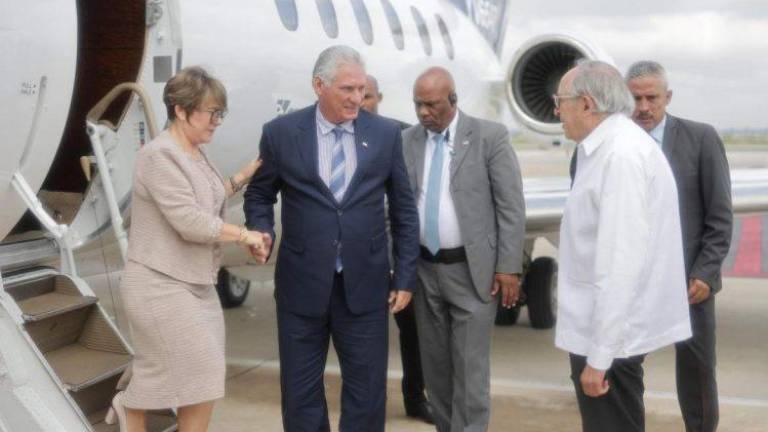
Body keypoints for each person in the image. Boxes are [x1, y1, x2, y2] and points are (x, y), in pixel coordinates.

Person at [243, 45, 419, 432]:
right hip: (301, 286)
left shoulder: (387, 134)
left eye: (361, 89)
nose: (358, 98)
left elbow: (405, 210)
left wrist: (405, 276)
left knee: (367, 393)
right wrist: (262, 229)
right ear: (318, 85)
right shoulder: (281, 133)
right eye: (347, 89)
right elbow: (259, 194)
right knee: (300, 394)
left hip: (366, 286)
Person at [108, 66, 267, 432]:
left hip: (194, 283)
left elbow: (205, 196)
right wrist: (245, 235)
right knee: (189, 366)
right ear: (181, 110)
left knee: (206, 374)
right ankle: (130, 405)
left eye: (220, 113)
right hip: (158, 283)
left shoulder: (194, 152)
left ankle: (134, 404)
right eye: (212, 113)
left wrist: (245, 174)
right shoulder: (159, 155)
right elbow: (190, 220)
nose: (217, 121)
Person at [554, 60, 692, 432]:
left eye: (560, 100)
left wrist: (600, 357)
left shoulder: (620, 156)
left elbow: (621, 262)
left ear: (586, 104)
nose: (556, 110)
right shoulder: (602, 149)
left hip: (611, 340)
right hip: (605, 331)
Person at [401, 67, 525, 431]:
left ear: (453, 100)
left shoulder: (489, 137)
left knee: (470, 372)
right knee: (436, 368)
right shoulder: (408, 140)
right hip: (425, 272)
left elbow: (510, 207)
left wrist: (508, 267)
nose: (424, 113)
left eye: (432, 105)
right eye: (418, 105)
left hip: (473, 273)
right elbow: (397, 207)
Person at [626, 60, 732, 432]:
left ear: (667, 97)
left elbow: (719, 218)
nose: (643, 107)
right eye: (636, 98)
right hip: (633, 284)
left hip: (690, 285)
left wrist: (705, 272)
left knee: (698, 374)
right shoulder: (615, 143)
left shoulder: (700, 139)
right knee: (622, 367)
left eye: (651, 97)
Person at [361, 74, 435, 425]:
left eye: (368, 96)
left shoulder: (402, 136)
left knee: (413, 331)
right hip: (362, 256)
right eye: (356, 95)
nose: (361, 103)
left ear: (379, 97)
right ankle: (366, 399)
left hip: (400, 254)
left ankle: (414, 396)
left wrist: (401, 260)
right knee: (363, 336)